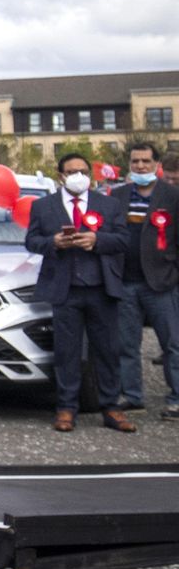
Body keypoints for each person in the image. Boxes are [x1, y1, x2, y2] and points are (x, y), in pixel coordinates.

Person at [27, 152, 136, 433]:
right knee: (66, 352)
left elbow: (123, 239)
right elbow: (32, 241)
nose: (79, 176)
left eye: (83, 171)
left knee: (108, 350)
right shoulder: (43, 207)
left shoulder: (109, 205)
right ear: (61, 175)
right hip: (65, 290)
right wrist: (53, 242)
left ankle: (111, 407)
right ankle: (66, 408)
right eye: (72, 171)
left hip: (101, 288)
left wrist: (97, 240)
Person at [110, 142, 179, 419]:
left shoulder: (172, 196)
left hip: (161, 283)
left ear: (156, 164)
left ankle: (176, 397)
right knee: (127, 345)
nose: (140, 166)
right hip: (125, 282)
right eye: (135, 162)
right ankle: (133, 395)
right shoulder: (117, 195)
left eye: (146, 162)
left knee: (172, 344)